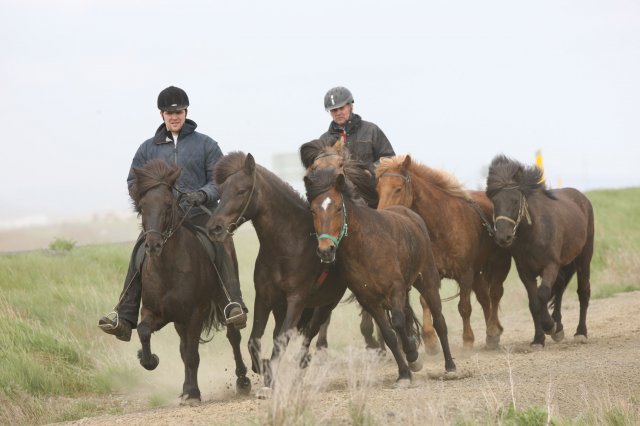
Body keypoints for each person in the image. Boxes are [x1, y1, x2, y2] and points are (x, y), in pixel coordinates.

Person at [98, 86, 247, 342]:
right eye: (169, 112)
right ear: (162, 115)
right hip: (164, 218)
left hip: (199, 212)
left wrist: (202, 194)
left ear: (186, 112)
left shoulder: (206, 144)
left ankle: (232, 305)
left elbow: (220, 180)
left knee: (221, 244)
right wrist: (149, 201)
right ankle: (124, 316)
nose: (174, 116)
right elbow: (133, 181)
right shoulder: (147, 149)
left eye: (178, 112)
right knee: (139, 252)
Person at [320, 86, 395, 165]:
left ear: (350, 106)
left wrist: (370, 171)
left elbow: (389, 158)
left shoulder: (371, 130)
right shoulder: (323, 140)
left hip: (369, 177)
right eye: (334, 110)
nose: (338, 113)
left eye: (341, 108)